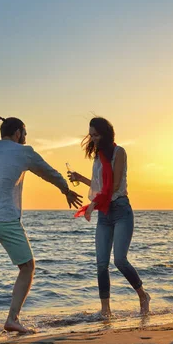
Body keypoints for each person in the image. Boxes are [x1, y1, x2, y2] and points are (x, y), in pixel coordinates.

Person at [0, 116, 82, 337]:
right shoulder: (24, 152)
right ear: (18, 132)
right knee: (27, 266)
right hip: (3, 216)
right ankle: (12, 319)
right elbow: (49, 173)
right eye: (24, 133)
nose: (25, 137)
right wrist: (66, 190)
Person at [68, 117, 150, 317]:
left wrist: (93, 204)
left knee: (120, 260)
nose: (93, 139)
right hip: (104, 213)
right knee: (101, 263)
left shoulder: (119, 152)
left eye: (96, 135)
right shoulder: (98, 158)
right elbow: (98, 187)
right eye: (91, 135)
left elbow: (112, 185)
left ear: (105, 134)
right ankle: (106, 310)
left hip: (121, 209)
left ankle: (143, 295)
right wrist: (80, 178)